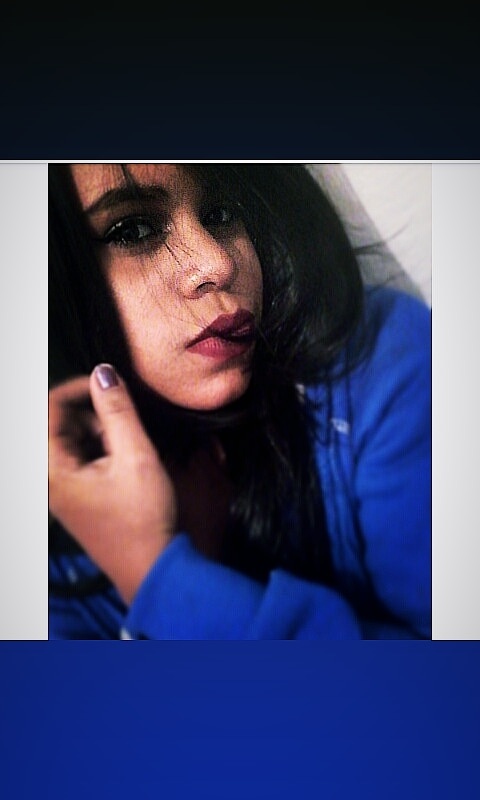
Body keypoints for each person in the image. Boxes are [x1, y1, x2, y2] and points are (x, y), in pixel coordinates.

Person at [48, 163, 431, 640]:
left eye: (223, 212)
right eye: (134, 230)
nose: (218, 262)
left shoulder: (378, 356)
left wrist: (156, 579)